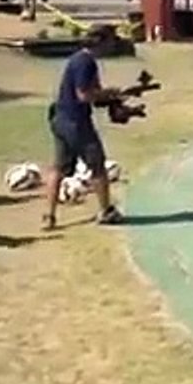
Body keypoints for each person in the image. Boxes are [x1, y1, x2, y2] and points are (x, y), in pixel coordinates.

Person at [43, 25, 123, 231]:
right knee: (97, 165)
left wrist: (110, 95)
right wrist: (107, 95)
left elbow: (92, 93)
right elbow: (83, 95)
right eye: (111, 40)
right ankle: (106, 211)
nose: (113, 44)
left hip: (60, 119)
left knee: (59, 168)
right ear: (100, 41)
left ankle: (49, 216)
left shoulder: (80, 59)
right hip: (76, 122)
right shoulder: (86, 62)